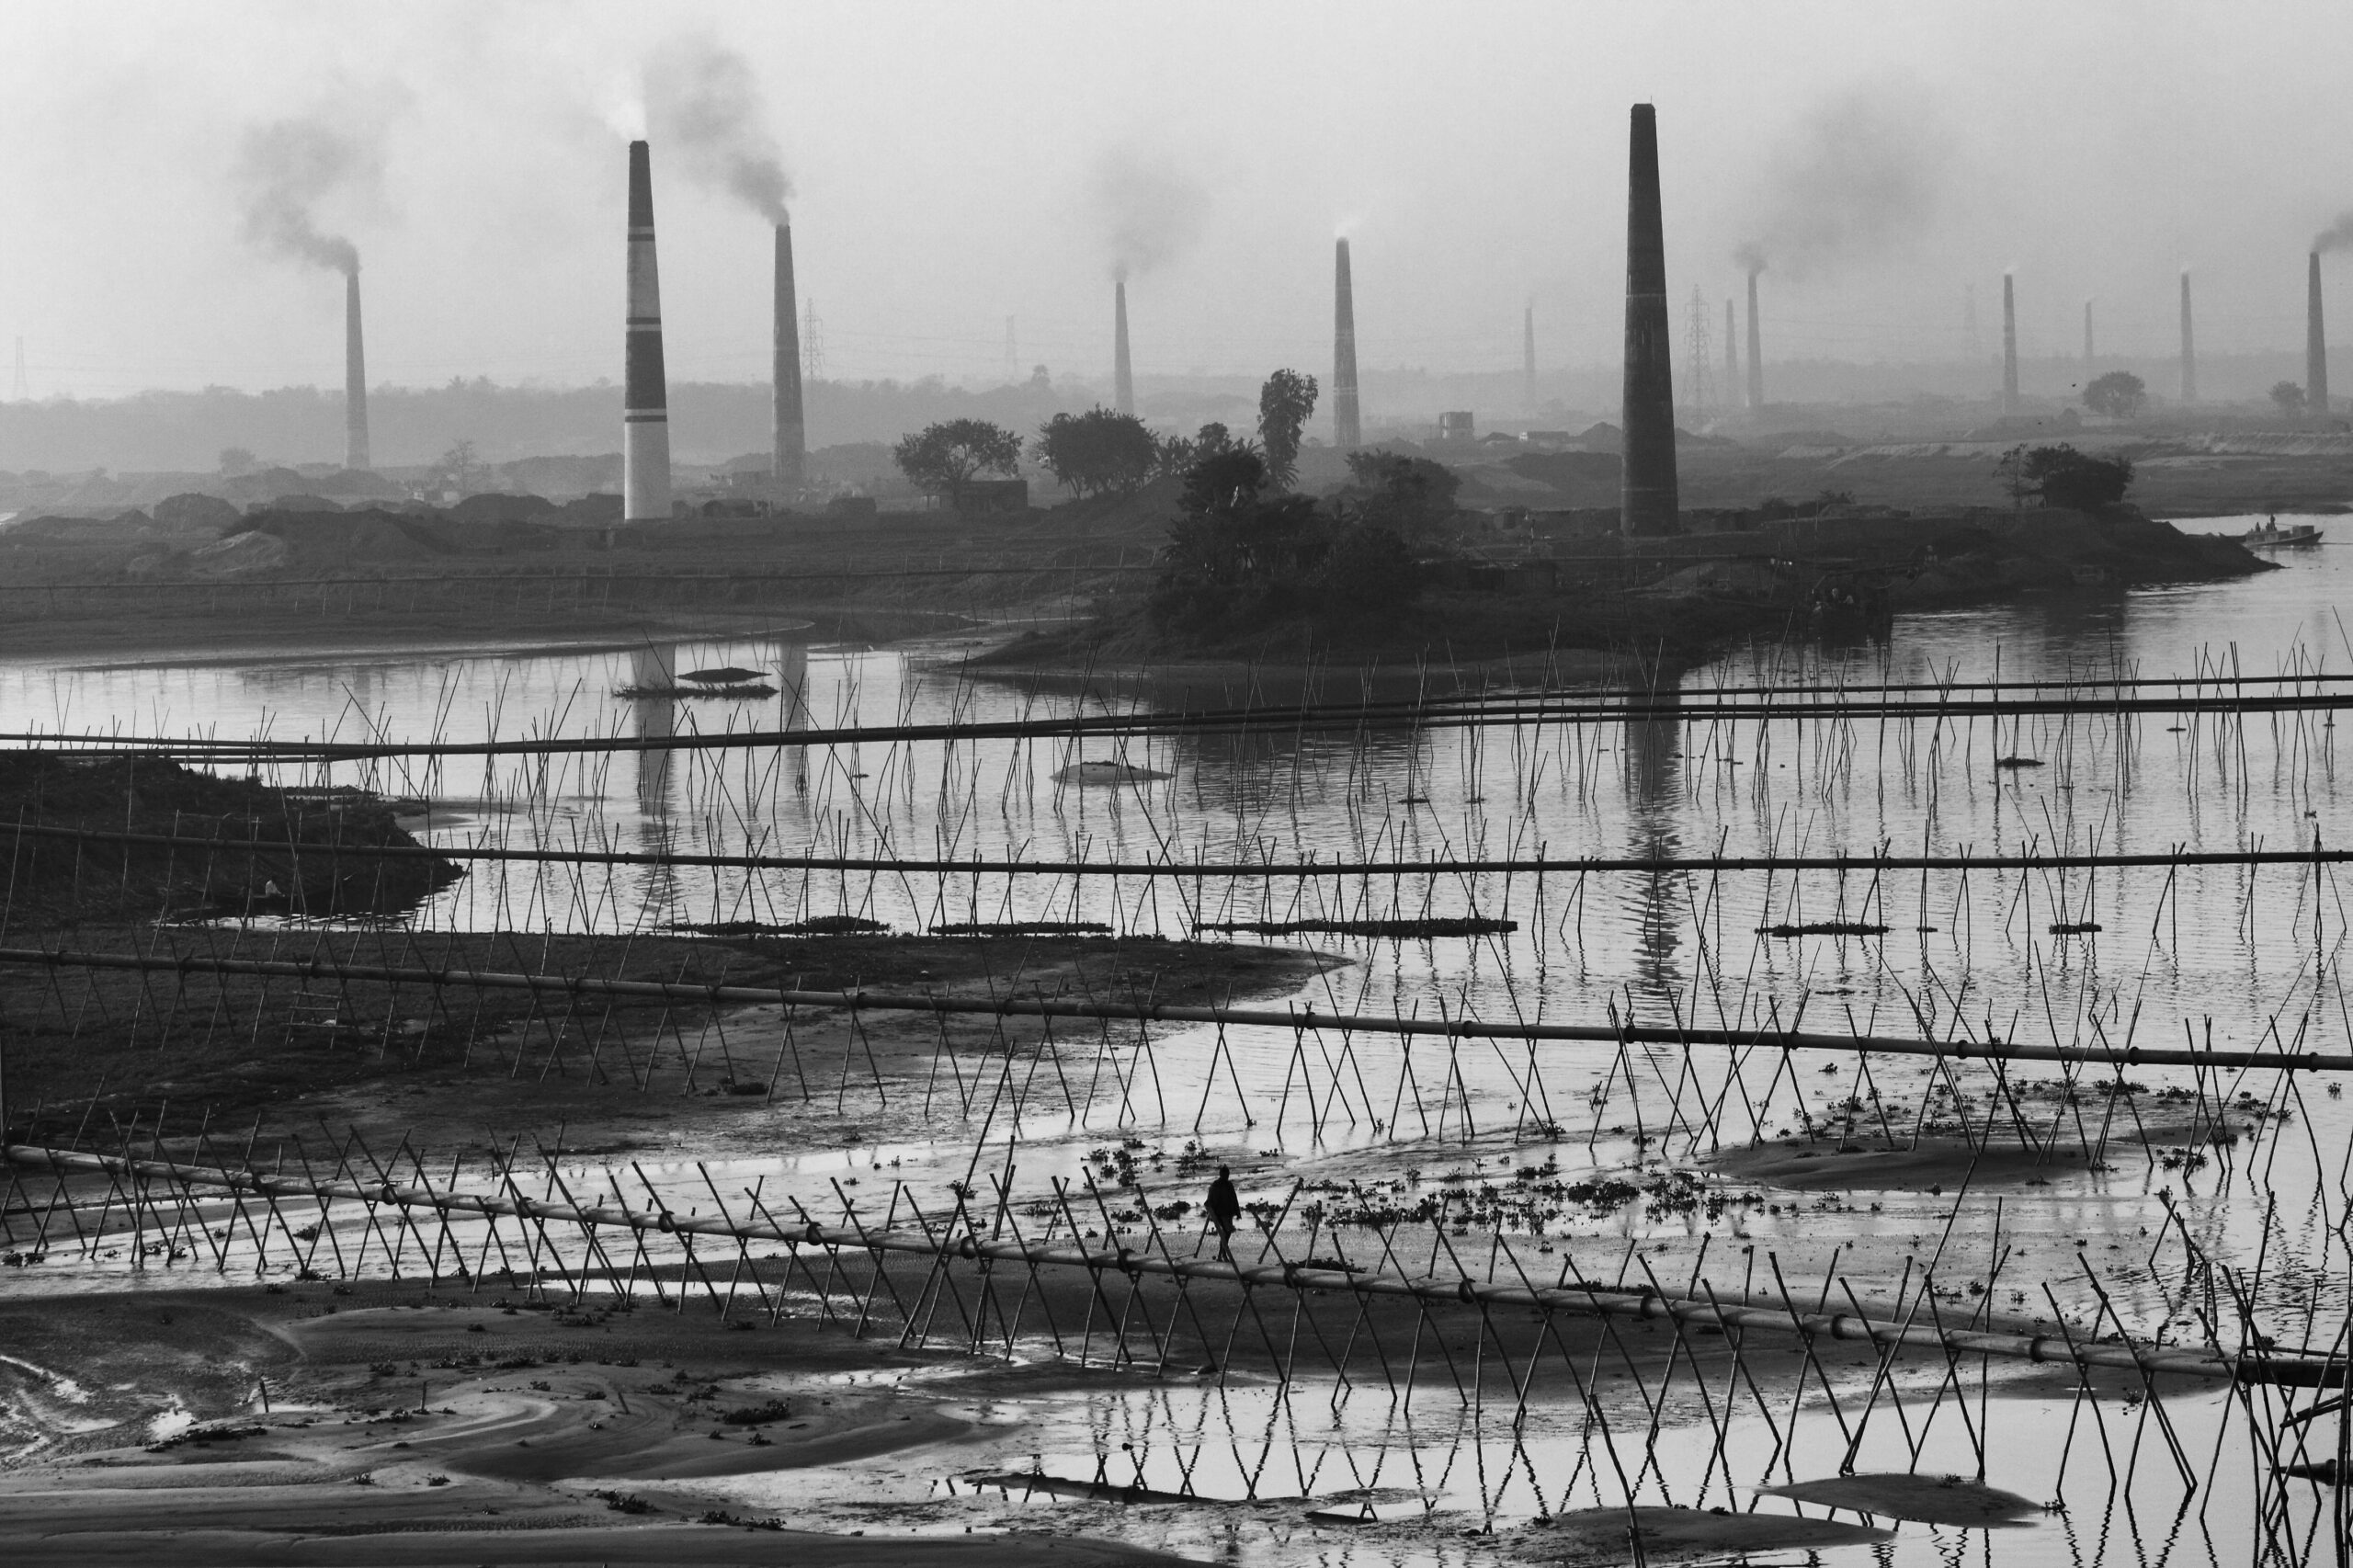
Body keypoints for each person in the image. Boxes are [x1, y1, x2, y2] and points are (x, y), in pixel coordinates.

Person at [1204, 1165, 1242, 1259]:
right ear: (1221, 1174)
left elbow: (1234, 1198)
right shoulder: (1215, 1185)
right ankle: (1222, 1254)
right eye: (1226, 1174)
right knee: (1225, 1233)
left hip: (1228, 1213)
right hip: (1220, 1214)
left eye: (1228, 1174)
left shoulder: (1229, 1185)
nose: (1227, 1176)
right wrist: (1212, 1214)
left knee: (1227, 1234)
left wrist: (1237, 1213)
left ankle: (1222, 1253)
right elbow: (1210, 1201)